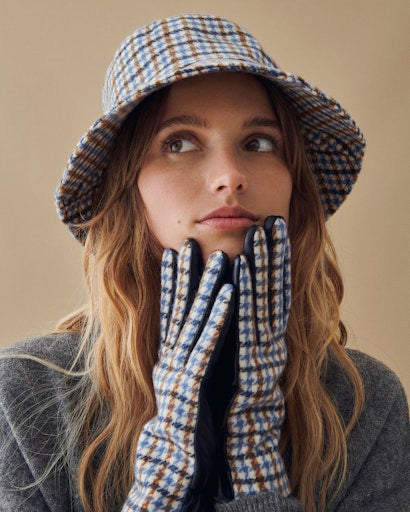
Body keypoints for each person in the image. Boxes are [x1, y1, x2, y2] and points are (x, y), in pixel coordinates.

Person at [0, 13, 408, 512]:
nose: (230, 176)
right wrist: (165, 473)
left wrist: (255, 460)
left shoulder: (365, 406)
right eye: (178, 143)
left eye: (258, 143)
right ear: (128, 189)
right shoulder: (25, 396)